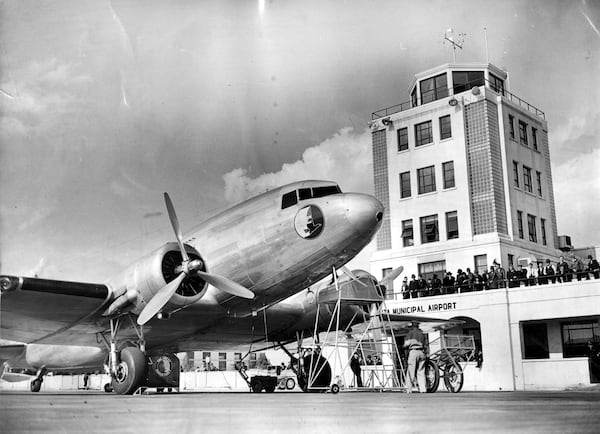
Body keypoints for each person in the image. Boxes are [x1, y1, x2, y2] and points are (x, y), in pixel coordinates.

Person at [403, 323, 427, 393]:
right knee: (421, 371)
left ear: (412, 326)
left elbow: (406, 344)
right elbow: (425, 343)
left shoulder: (410, 333)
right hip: (421, 352)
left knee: (411, 371)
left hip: (413, 352)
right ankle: (423, 389)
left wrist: (404, 346)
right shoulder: (421, 333)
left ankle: (408, 389)